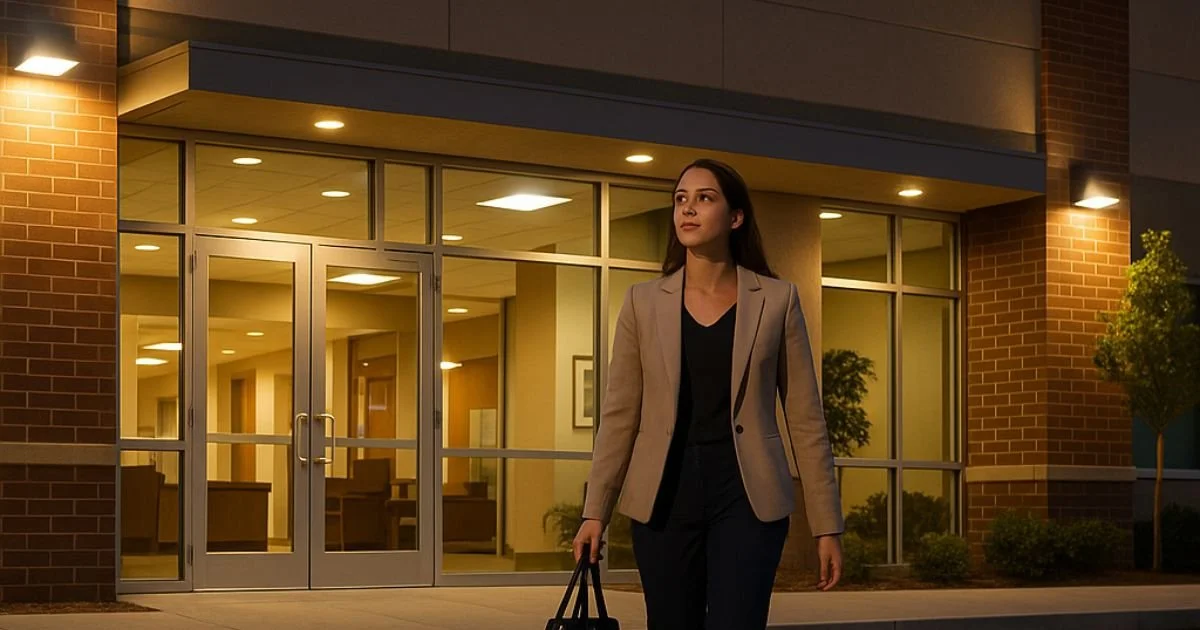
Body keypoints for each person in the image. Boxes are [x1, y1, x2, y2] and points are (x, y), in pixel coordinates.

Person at [573, 158, 844, 629]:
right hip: (664, 497)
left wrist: (826, 526)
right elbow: (619, 416)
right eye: (681, 199)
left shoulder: (777, 300)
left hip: (747, 497)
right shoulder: (642, 302)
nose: (688, 210)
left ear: (735, 217)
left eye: (704, 198)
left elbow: (805, 419)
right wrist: (594, 511)